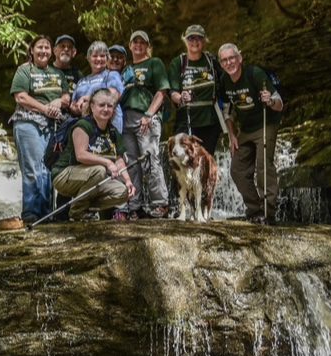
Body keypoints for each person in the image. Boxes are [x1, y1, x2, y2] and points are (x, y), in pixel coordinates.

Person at [218, 42, 284, 223]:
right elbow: (227, 111)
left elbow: (279, 104)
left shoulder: (254, 74)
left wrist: (269, 100)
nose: (229, 63)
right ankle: (255, 210)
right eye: (224, 60)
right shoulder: (224, 80)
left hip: (266, 124)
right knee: (237, 170)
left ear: (239, 58)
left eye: (231, 58)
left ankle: (268, 213)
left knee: (263, 166)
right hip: (245, 129)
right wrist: (231, 135)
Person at [9, 35, 71, 224]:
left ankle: (46, 211)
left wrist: (58, 102)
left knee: (47, 169)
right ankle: (31, 212)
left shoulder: (57, 73)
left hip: (53, 126)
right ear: (32, 50)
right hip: (28, 122)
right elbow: (20, 97)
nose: (43, 51)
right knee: (33, 168)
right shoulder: (25, 70)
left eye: (47, 47)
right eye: (40, 47)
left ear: (52, 52)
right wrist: (45, 109)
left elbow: (67, 97)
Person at [51, 88, 134, 221]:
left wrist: (128, 181)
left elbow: (118, 159)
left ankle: (87, 209)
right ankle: (77, 212)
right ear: (92, 106)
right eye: (101, 105)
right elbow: (81, 155)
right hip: (64, 176)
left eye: (110, 106)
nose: (106, 109)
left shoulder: (112, 132)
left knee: (122, 192)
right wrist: (107, 162)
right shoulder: (83, 126)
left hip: (92, 178)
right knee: (100, 171)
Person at [120, 29, 171, 218]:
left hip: (145, 118)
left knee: (150, 160)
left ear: (147, 46)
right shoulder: (126, 70)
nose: (138, 45)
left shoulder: (154, 63)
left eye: (143, 42)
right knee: (131, 163)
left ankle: (160, 203)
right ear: (130, 45)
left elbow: (161, 91)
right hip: (126, 120)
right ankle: (135, 205)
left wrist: (149, 114)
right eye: (135, 42)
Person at [168, 24, 224, 156]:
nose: (194, 42)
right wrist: (181, 97)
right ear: (185, 41)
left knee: (205, 161)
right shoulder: (179, 62)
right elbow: (172, 92)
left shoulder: (211, 61)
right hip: (186, 121)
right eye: (191, 38)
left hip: (209, 122)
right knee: (183, 159)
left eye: (198, 38)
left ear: (204, 41)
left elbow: (225, 83)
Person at [70, 41, 125, 132]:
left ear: (107, 59)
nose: (99, 59)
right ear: (88, 58)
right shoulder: (81, 81)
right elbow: (73, 104)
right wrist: (76, 108)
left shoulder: (112, 75)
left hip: (108, 126)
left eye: (102, 56)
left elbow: (114, 95)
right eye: (95, 56)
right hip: (85, 127)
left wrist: (87, 99)